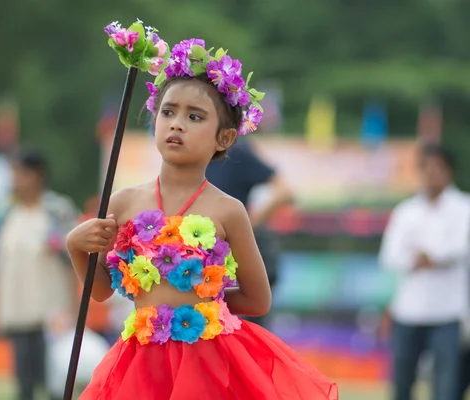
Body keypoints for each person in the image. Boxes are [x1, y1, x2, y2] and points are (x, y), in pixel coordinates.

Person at [65, 37, 338, 399]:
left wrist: (200, 304)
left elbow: (258, 300)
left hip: (206, 357)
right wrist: (74, 247)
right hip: (141, 361)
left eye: (194, 116)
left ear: (224, 137)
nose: (177, 124)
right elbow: (99, 292)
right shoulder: (123, 201)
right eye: (168, 111)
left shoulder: (228, 210)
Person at [0, 149, 79, 400]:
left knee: (55, 384)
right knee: (24, 386)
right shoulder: (4, 215)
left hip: (52, 316)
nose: (15, 180)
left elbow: (76, 260)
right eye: (13, 173)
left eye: (21, 173)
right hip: (18, 313)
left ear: (38, 175)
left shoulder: (57, 210)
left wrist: (76, 309)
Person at [379, 142, 470, 400]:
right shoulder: (406, 211)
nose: (432, 174)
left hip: (448, 313)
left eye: (438, 168)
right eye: (426, 168)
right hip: (408, 311)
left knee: (446, 387)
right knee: (401, 385)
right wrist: (421, 258)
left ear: (449, 171)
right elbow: (390, 256)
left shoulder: (463, 208)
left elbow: (460, 247)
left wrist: (430, 254)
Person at [206, 136, 293, 328]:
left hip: (238, 258)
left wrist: (248, 225)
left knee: (245, 330)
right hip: (214, 259)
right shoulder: (192, 162)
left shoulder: (234, 153)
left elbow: (285, 191)